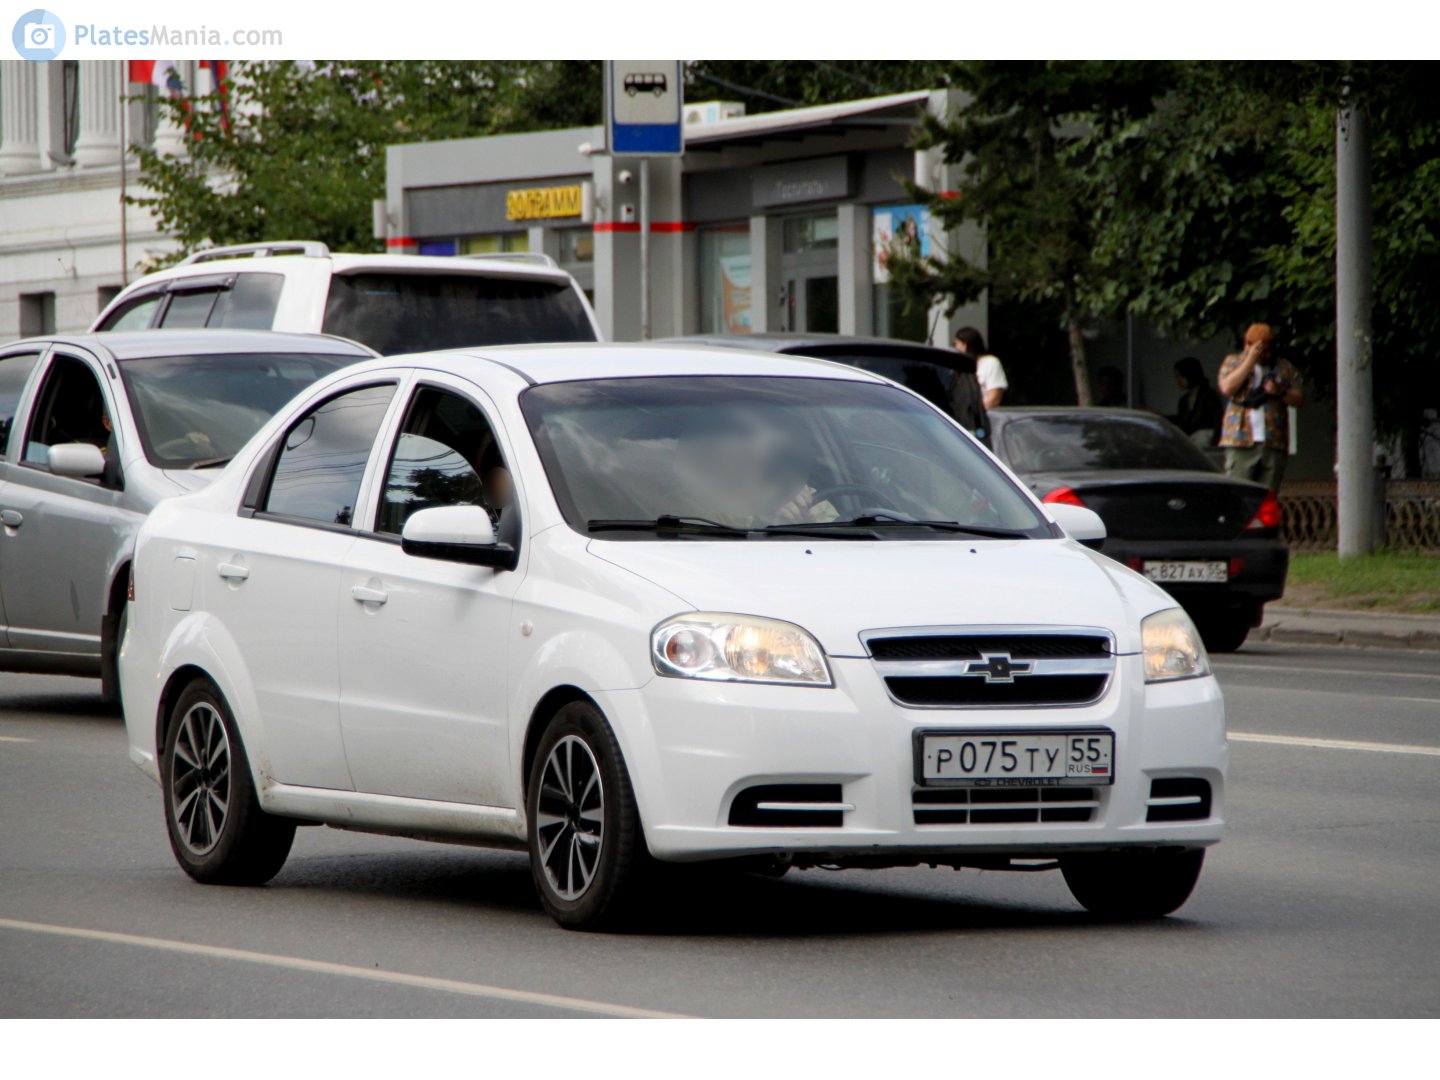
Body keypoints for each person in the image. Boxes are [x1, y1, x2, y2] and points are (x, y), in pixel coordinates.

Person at [1217, 323, 1305, 490]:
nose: (1264, 355)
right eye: (1260, 350)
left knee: (1268, 498)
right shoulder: (1233, 362)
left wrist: (1279, 391)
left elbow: (1299, 399)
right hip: (1240, 441)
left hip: (1273, 442)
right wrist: (1249, 361)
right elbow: (1227, 387)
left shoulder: (1284, 367)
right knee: (1239, 493)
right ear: (1247, 345)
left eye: (1267, 350)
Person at [1169, 356, 1223, 446]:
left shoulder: (1209, 395)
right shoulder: (1183, 401)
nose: (1177, 380)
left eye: (1180, 376)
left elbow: (1217, 422)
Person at [954, 326, 1007, 409]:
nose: (955, 348)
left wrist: (978, 414)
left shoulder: (990, 363)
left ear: (965, 345)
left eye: (957, 344)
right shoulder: (958, 369)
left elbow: (994, 397)